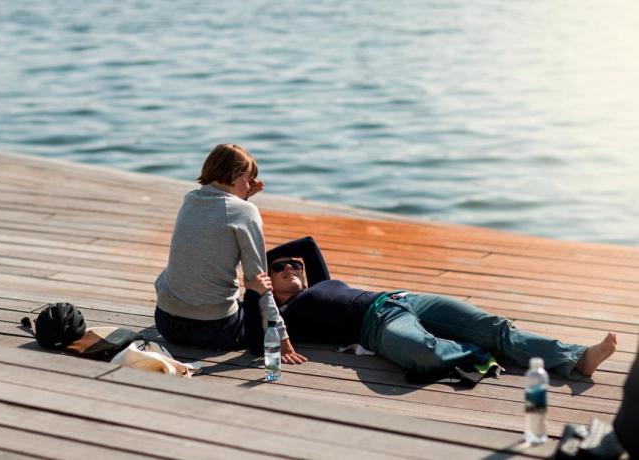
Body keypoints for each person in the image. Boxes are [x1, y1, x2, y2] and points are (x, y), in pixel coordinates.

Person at [243, 236, 617, 379]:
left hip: (405, 298)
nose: (291, 267)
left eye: (295, 266)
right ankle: (479, 353)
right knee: (421, 353)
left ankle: (576, 357)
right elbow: (253, 335)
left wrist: (277, 260)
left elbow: (307, 244)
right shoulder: (284, 318)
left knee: (494, 324)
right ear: (269, 282)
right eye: (279, 267)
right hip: (375, 326)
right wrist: (253, 279)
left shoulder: (320, 282)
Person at [154, 144, 307, 364]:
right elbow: (260, 280)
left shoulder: (191, 199)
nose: (250, 185)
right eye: (248, 179)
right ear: (236, 176)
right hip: (212, 330)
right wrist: (282, 338)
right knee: (262, 302)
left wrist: (242, 196)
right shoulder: (245, 211)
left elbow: (222, 216)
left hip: (166, 322)